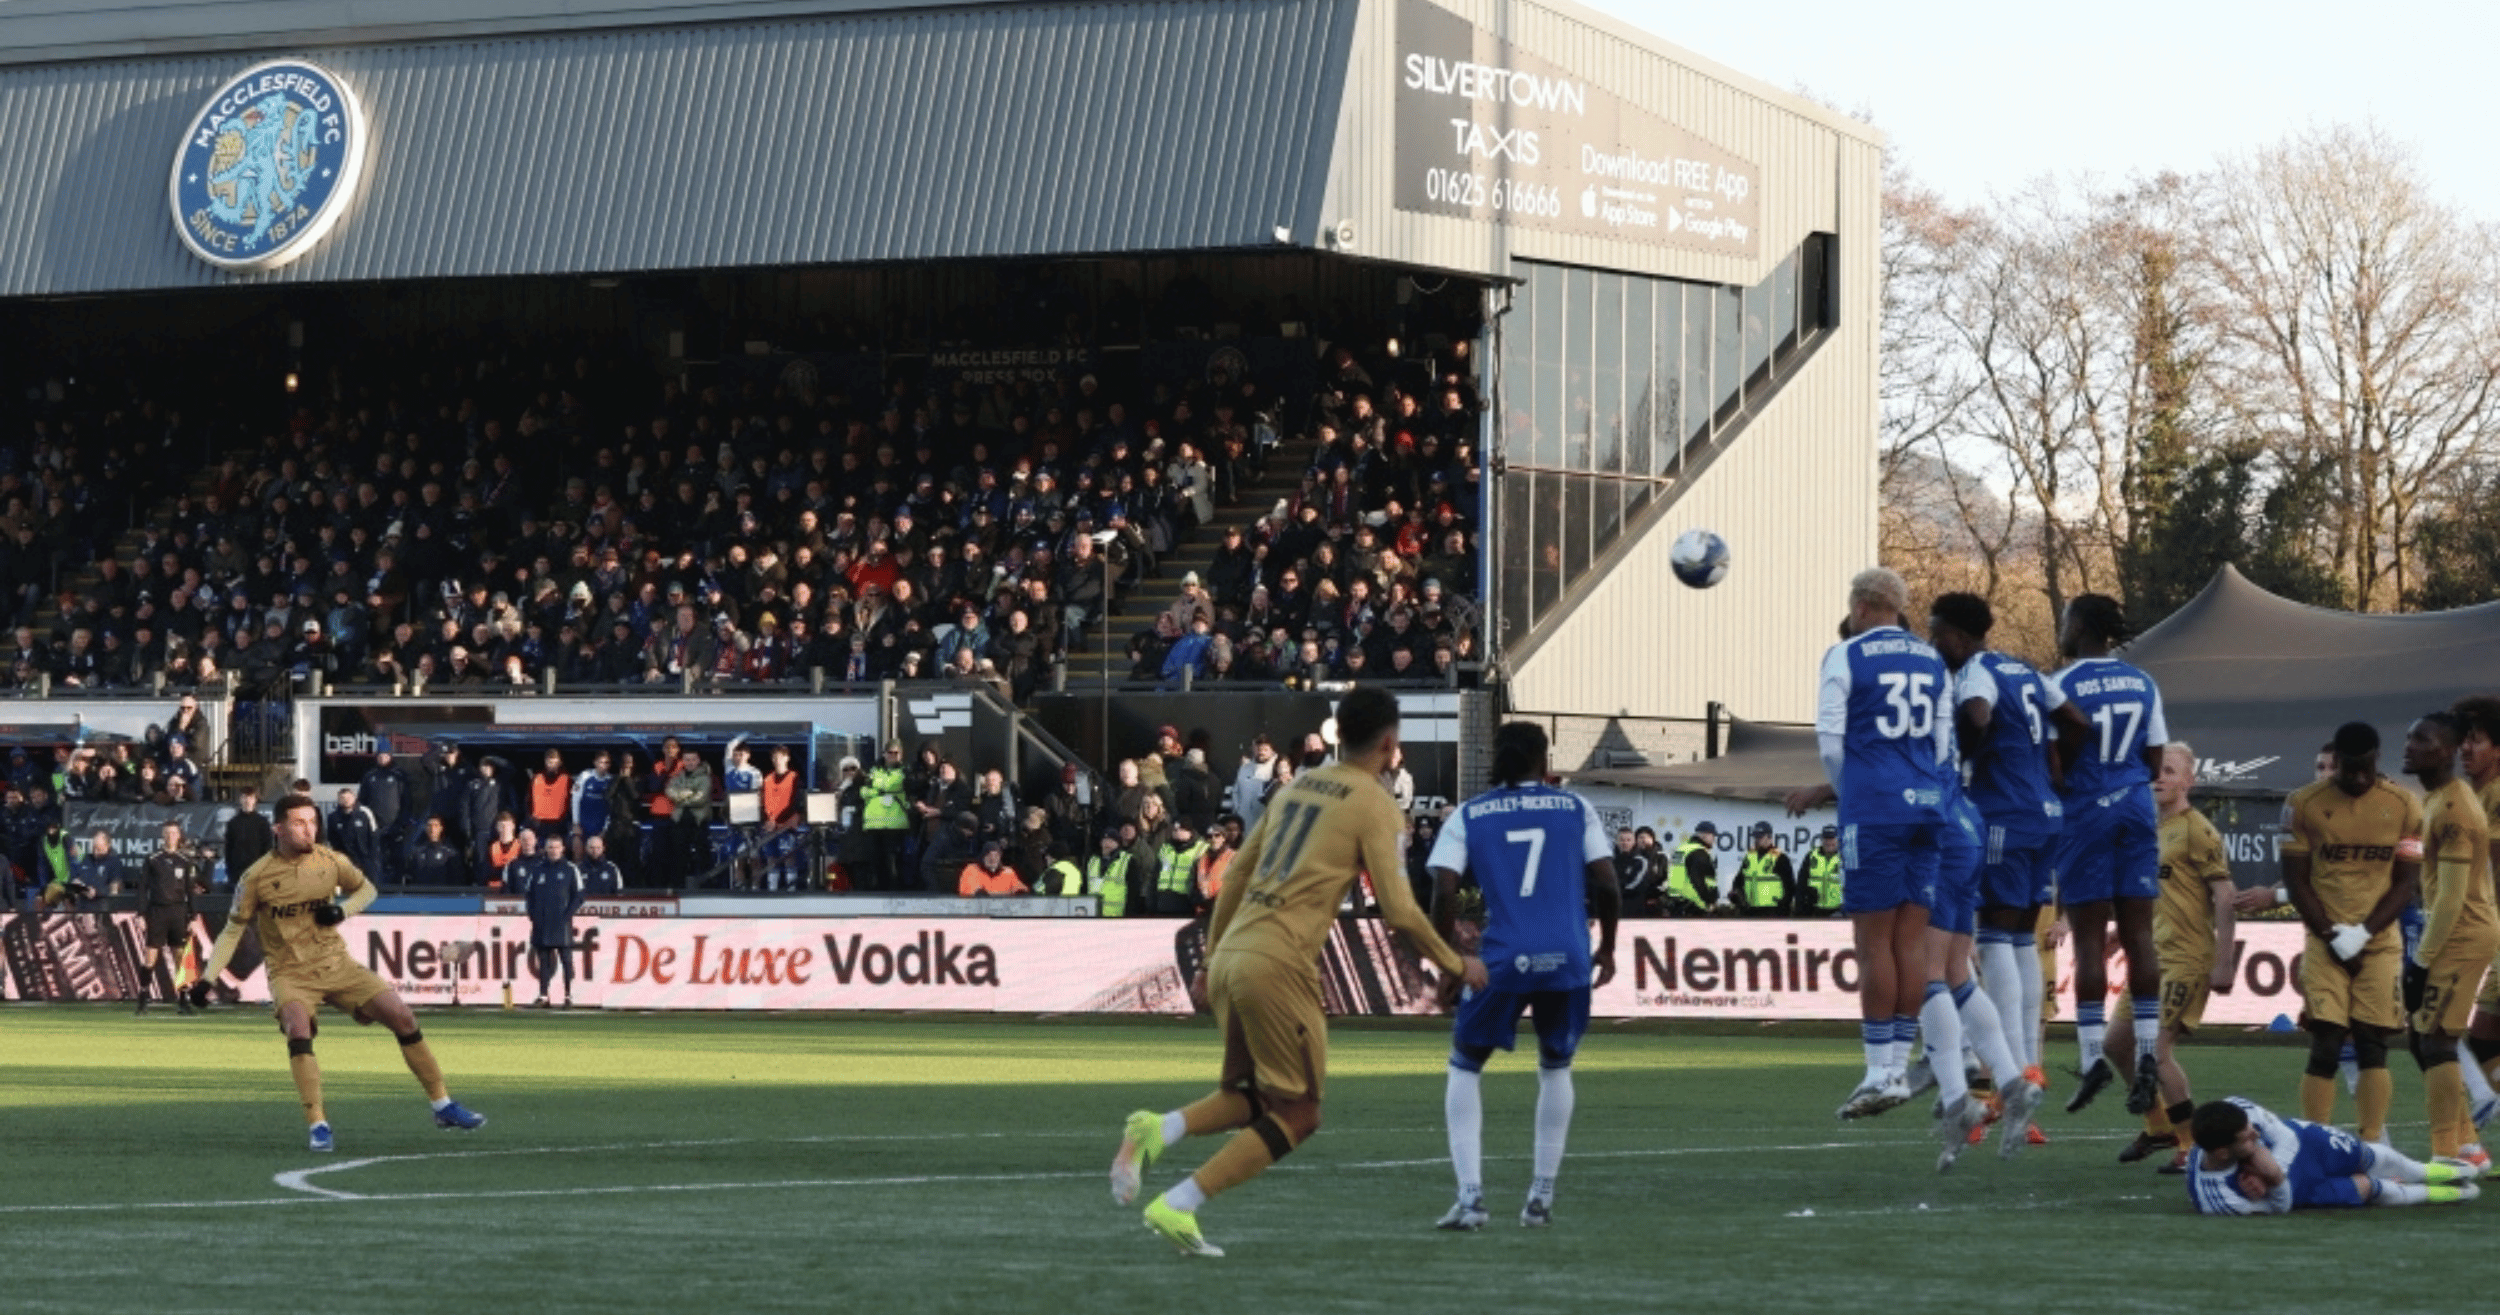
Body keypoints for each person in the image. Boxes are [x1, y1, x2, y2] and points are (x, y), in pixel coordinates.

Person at [1108, 688, 1485, 1257]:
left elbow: (1233, 879)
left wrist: (1211, 961)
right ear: (1390, 744)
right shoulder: (1375, 803)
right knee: (1300, 1113)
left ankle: (1156, 1130)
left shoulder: (1296, 787)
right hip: (1280, 962)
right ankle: (1179, 1204)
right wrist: (1460, 963)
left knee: (1251, 1096)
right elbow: (1401, 910)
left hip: (1235, 950)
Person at [200, 793, 487, 1151]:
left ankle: (442, 1105)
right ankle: (318, 1124)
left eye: (312, 822)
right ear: (278, 829)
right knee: (298, 1029)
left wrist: (342, 911)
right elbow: (232, 929)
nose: (309, 830)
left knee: (404, 1018)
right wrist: (208, 978)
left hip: (337, 964)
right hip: (290, 973)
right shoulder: (256, 876)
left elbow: (366, 889)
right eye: (299, 823)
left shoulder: (329, 861)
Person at [1426, 721, 1618, 1230]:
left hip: (1504, 959)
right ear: (1544, 758)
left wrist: (1449, 959)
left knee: (1465, 1065)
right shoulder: (1576, 808)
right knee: (1556, 1067)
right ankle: (1540, 1199)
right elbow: (1608, 883)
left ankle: (1471, 1199)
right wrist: (1610, 950)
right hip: (1569, 955)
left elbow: (1443, 891)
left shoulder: (1470, 813)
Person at [1790, 568, 1954, 1135]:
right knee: (1910, 942)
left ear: (1860, 605)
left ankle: (1879, 1069)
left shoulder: (1845, 656)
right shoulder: (1932, 659)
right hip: (1927, 803)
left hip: (1875, 807)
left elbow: (1831, 743)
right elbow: (1941, 743)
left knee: (1872, 942)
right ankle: (1899, 1065)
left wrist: (1849, 787)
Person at [1924, 591, 2070, 1098]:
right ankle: (2029, 1060)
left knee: (1993, 938)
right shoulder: (2027, 671)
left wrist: (1964, 752)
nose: (1932, 641)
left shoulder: (1976, 672)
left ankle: (2011, 1065)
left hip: (2004, 812)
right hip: (2046, 813)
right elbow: (2074, 720)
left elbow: (1980, 717)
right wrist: (2057, 781)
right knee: (2022, 939)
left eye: (1937, 632)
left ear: (1959, 636)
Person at [2047, 593, 2170, 1117]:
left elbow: (2055, 758)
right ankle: (2146, 1053)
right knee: (2140, 936)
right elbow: (2156, 756)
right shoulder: (2143, 682)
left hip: (2087, 812)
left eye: (2064, 620)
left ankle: (2093, 1056)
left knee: (2090, 941)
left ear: (2078, 626)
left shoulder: (2063, 684)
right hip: (2136, 807)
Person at [2282, 720, 2422, 1149]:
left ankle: (2373, 1141)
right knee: (2325, 1039)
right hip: (2325, 941)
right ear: (2335, 762)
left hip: (2378, 941)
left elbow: (2405, 883)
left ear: (2376, 760)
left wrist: (2362, 934)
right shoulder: (2302, 804)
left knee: (2372, 1041)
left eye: (2365, 769)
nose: (2358, 779)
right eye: (2349, 770)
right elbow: (2296, 880)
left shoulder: (2405, 805)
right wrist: (2330, 934)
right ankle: (2316, 1141)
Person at [2107, 743, 2235, 1172]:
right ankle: (2158, 1125)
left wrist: (2223, 960)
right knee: (2115, 1044)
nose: (2158, 778)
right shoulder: (2148, 828)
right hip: (2152, 956)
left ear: (2188, 781)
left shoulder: (2197, 829)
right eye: (2153, 771)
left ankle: (2190, 1145)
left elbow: (2224, 894)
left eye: (2169, 770)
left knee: (2156, 1051)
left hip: (2186, 957)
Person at [2398, 712, 2497, 1167]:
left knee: (2437, 1040)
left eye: (2421, 738)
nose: (2409, 745)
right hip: (2453, 932)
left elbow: (2453, 899)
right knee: (2423, 1040)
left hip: (2462, 935)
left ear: (2446, 750)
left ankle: (2448, 1153)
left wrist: (2421, 961)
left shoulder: (2456, 809)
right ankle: (2467, 1146)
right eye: (2409, 737)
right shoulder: (2439, 799)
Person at [2184, 1098, 2478, 1215]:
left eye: (2253, 1130)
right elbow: (2281, 1207)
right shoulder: (2218, 1199)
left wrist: (2271, 1165)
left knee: (2375, 1157)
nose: (2256, 1136)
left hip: (2308, 1144)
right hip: (2301, 1190)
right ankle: (2444, 1194)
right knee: (2368, 1189)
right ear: (2221, 1152)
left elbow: (2285, 1137)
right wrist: (2274, 1179)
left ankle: (2432, 1172)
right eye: (2247, 1138)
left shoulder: (2239, 1109)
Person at [2451, 696, 2500, 1120]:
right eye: (2461, 739)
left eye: (2476, 740)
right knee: (2482, 1038)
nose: (2465, 749)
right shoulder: (2474, 796)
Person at [133, 820, 205, 1016]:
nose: (171, 836)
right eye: (167, 833)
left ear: (179, 835)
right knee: (150, 958)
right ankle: (142, 998)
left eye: (174, 833)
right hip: (157, 911)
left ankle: (183, 1001)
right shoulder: (153, 859)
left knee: (180, 958)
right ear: (163, 836)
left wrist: (193, 915)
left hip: (178, 912)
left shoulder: (185, 860)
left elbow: (191, 891)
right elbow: (142, 889)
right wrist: (141, 914)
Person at [520, 834, 585, 1007]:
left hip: (562, 922)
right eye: (550, 847)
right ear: (545, 849)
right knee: (543, 961)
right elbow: (529, 895)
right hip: (541, 922)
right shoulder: (537, 869)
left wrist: (567, 915)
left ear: (563, 849)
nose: (553, 850)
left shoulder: (571, 869)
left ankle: (569, 995)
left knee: (566, 960)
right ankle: (543, 995)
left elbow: (579, 896)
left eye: (557, 847)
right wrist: (533, 915)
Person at [859, 741, 911, 892]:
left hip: (895, 823)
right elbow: (863, 791)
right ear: (884, 753)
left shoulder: (905, 771)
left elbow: (894, 785)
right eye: (889, 752)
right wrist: (879, 790)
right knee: (874, 862)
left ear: (901, 755)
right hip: (873, 822)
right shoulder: (873, 769)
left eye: (896, 753)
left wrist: (877, 788)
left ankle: (893, 895)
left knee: (892, 862)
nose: (892, 756)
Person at [1733, 822, 1796, 916]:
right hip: (1750, 910)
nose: (1757, 840)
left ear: (1770, 837)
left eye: (1760, 837)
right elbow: (1738, 881)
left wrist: (1782, 908)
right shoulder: (1750, 856)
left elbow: (1790, 887)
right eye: (1755, 837)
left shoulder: (1780, 858)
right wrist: (1740, 900)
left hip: (1772, 911)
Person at [1662, 821, 1719, 917]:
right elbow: (1698, 881)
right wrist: (1710, 900)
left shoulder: (1682, 849)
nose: (1714, 839)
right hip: (1694, 905)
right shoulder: (1699, 852)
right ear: (1705, 835)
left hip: (1675, 903)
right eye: (1713, 836)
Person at [328, 788, 381, 883]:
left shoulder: (365, 813)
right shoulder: (333, 817)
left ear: (354, 797)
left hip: (365, 858)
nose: (346, 800)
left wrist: (372, 857)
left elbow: (374, 834)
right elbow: (332, 839)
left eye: (348, 797)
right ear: (338, 800)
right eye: (342, 798)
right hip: (346, 860)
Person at [224, 786, 274, 886]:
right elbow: (228, 849)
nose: (247, 800)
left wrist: (264, 870)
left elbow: (267, 848)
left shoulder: (262, 822)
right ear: (240, 799)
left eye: (250, 797)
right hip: (237, 874)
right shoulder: (233, 823)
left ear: (255, 800)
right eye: (244, 797)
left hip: (257, 872)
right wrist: (231, 872)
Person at [1087, 826, 1135, 918]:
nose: (1107, 844)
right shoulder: (1093, 861)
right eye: (1105, 840)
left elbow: (1133, 891)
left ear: (1118, 844)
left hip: (1116, 915)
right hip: (1094, 914)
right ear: (1101, 843)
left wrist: (1129, 915)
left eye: (1112, 841)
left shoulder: (1127, 860)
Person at [403, 816, 464, 886]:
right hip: (420, 895)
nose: (432, 829)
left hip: (443, 895)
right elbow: (409, 878)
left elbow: (458, 880)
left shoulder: (450, 854)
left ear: (441, 828)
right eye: (429, 826)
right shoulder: (417, 853)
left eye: (436, 826)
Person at [528, 748, 574, 839]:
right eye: (550, 762)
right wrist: (530, 820)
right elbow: (528, 800)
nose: (552, 766)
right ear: (545, 762)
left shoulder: (567, 779)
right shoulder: (536, 778)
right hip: (539, 824)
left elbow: (572, 802)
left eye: (555, 763)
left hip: (559, 825)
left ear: (560, 763)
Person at [958, 840, 1027, 897]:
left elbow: (1019, 888)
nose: (992, 859)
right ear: (983, 856)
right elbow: (969, 890)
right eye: (989, 855)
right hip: (978, 910)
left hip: (1003, 911)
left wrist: (1021, 892)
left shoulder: (1008, 872)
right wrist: (979, 894)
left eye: (996, 855)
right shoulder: (972, 870)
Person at [1802, 826, 1845, 916]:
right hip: (1815, 909)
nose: (1829, 842)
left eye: (1832, 839)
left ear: (1838, 839)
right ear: (1821, 840)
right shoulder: (1811, 856)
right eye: (1826, 839)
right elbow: (1801, 883)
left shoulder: (1844, 857)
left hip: (1838, 909)